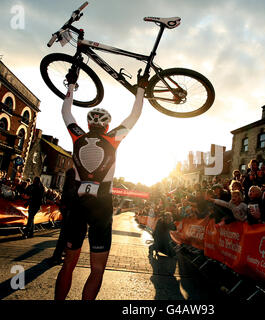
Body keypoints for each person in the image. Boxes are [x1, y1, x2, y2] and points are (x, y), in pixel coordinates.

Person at [55, 69, 149, 300]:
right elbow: (134, 116)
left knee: (68, 264)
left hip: (78, 205)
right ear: (107, 126)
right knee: (97, 269)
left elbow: (66, 110)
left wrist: (71, 85)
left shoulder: (78, 136)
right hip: (102, 205)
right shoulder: (112, 138)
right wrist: (141, 89)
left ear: (89, 123)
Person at [49, 168, 77, 265]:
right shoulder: (74, 188)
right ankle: (59, 255)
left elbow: (63, 201)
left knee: (63, 236)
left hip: (67, 213)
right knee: (66, 237)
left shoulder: (67, 187)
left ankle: (58, 255)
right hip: (71, 214)